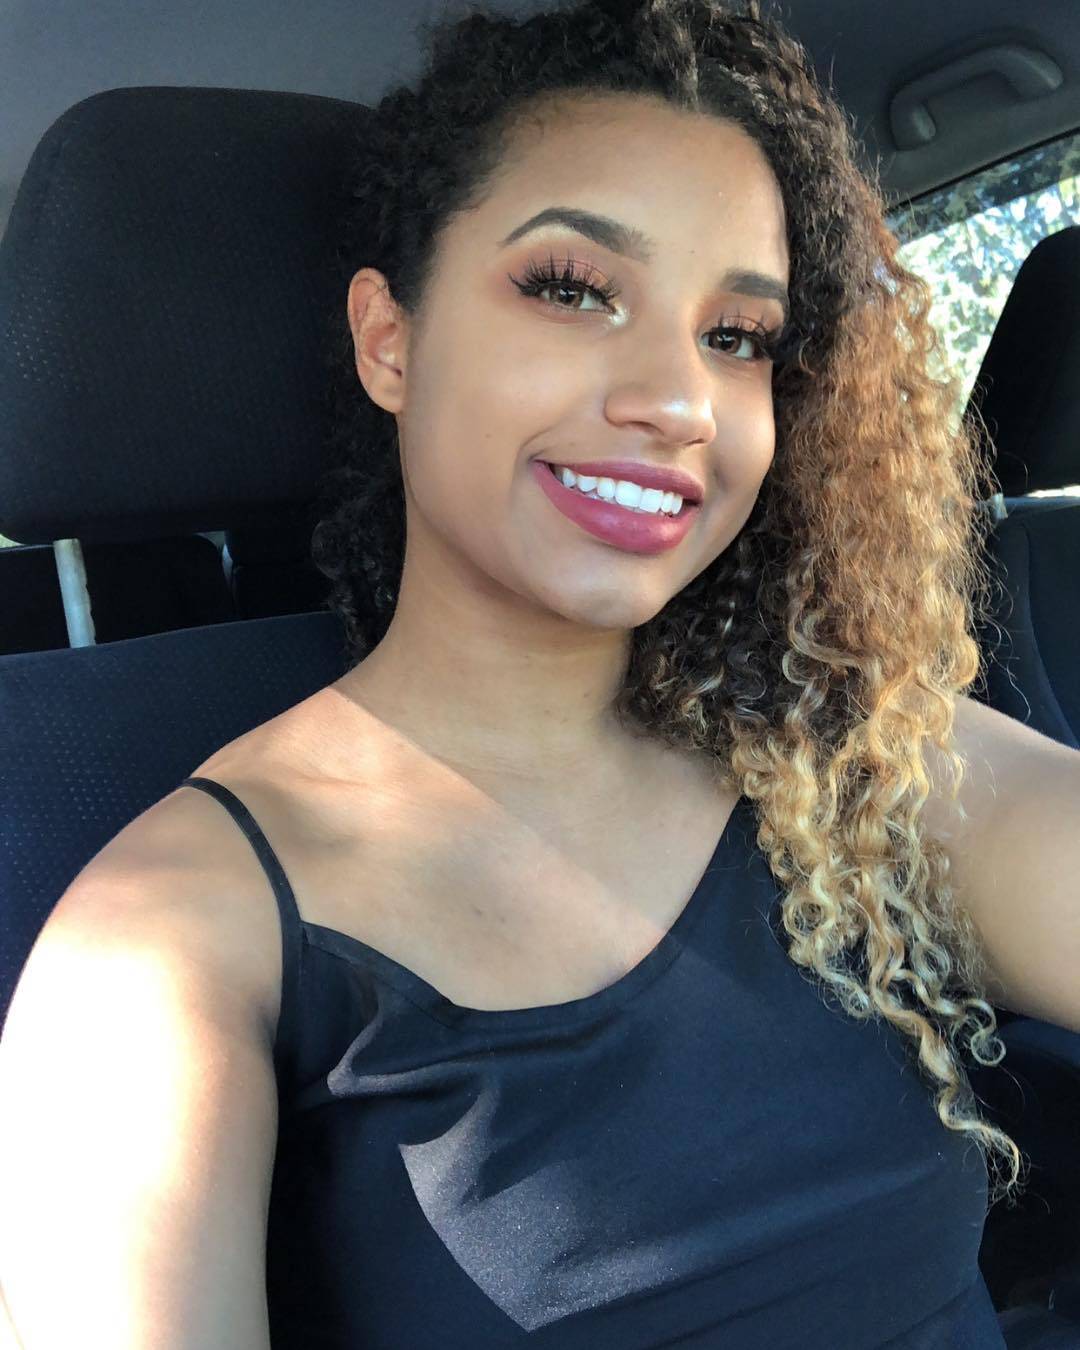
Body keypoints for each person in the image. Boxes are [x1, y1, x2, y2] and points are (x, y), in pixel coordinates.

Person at [0, 1, 1030, 1346]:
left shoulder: (843, 749)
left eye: (737, 337)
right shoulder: (166, 938)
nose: (680, 399)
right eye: (571, 288)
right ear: (390, 340)